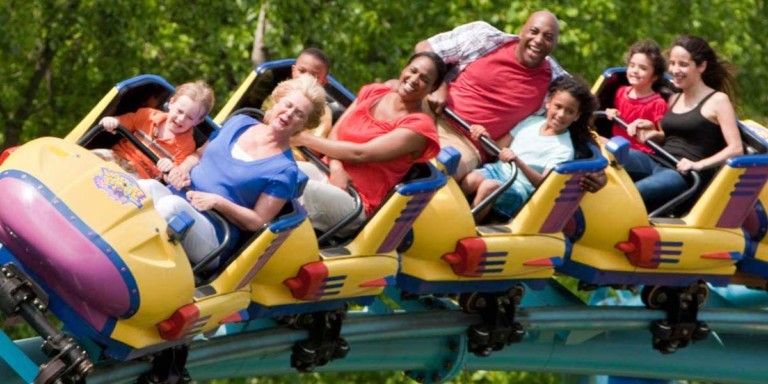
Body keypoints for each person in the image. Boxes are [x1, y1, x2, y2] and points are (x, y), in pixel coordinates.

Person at [141, 74, 326, 266]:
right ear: (277, 101)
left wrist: (218, 202)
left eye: (299, 114)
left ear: (304, 124)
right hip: (180, 194)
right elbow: (199, 154)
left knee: (172, 207)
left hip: (214, 232)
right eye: (288, 105)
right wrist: (184, 168)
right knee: (145, 187)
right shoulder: (240, 122)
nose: (288, 114)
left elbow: (257, 221)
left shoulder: (285, 170)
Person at [291, 52, 447, 235]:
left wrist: (304, 139)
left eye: (424, 79)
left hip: (355, 199)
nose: (413, 79)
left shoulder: (419, 126)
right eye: (412, 71)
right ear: (404, 69)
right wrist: (336, 168)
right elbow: (336, 133)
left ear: (432, 89)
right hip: (326, 170)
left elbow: (361, 154)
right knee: (278, 168)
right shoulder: (374, 92)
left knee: (293, 186)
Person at [414, 11, 566, 181]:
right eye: (534, 31)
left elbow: (582, 117)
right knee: (389, 95)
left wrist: (595, 173)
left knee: (438, 169)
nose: (538, 40)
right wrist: (440, 85)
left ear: (554, 44)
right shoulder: (483, 37)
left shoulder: (557, 85)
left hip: (467, 142)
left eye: (548, 37)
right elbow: (425, 49)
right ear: (522, 31)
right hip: (433, 110)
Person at [623, 35, 742, 212]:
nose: (675, 70)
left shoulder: (718, 101)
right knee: (612, 157)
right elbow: (672, 137)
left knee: (634, 193)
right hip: (658, 159)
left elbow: (736, 148)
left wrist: (698, 164)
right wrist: (653, 134)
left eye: (683, 64)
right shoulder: (674, 98)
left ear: (701, 66)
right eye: (672, 63)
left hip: (684, 175)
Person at [461, 76, 598, 221]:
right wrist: (483, 136)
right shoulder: (531, 121)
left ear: (577, 116)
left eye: (569, 111)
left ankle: (465, 226)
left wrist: (518, 162)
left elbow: (544, 185)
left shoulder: (564, 149)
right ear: (548, 103)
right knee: (472, 179)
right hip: (498, 170)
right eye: (558, 106)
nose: (561, 115)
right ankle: (447, 213)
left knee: (488, 187)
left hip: (519, 188)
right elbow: (496, 148)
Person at [94, 80, 215, 179]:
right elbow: (120, 122)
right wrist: (112, 121)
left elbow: (172, 176)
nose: (181, 119)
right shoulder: (147, 115)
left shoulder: (186, 147)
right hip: (117, 156)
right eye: (180, 111)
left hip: (140, 176)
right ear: (171, 103)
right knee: (91, 157)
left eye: (189, 117)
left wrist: (170, 168)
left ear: (198, 121)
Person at [262, 48, 334, 162]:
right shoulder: (279, 91)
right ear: (293, 70)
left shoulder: (323, 113)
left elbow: (311, 153)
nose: (305, 78)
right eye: (302, 71)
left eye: (314, 76)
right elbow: (259, 117)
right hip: (262, 142)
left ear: (323, 82)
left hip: (291, 159)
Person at [604, 39, 669, 153]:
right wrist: (612, 112)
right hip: (616, 145)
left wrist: (652, 133)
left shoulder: (658, 103)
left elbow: (664, 135)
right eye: (632, 65)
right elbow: (615, 112)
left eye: (642, 68)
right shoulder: (621, 92)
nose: (635, 71)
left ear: (654, 76)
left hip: (640, 152)